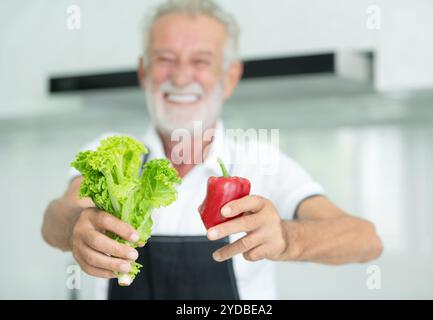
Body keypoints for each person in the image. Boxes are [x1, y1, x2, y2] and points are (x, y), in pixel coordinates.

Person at [41, 0, 382, 300]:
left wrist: (286, 237)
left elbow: (365, 240)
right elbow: (55, 218)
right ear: (144, 72)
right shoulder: (113, 153)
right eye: (165, 59)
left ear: (230, 77)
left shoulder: (260, 162)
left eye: (201, 61)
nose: (181, 76)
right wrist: (74, 227)